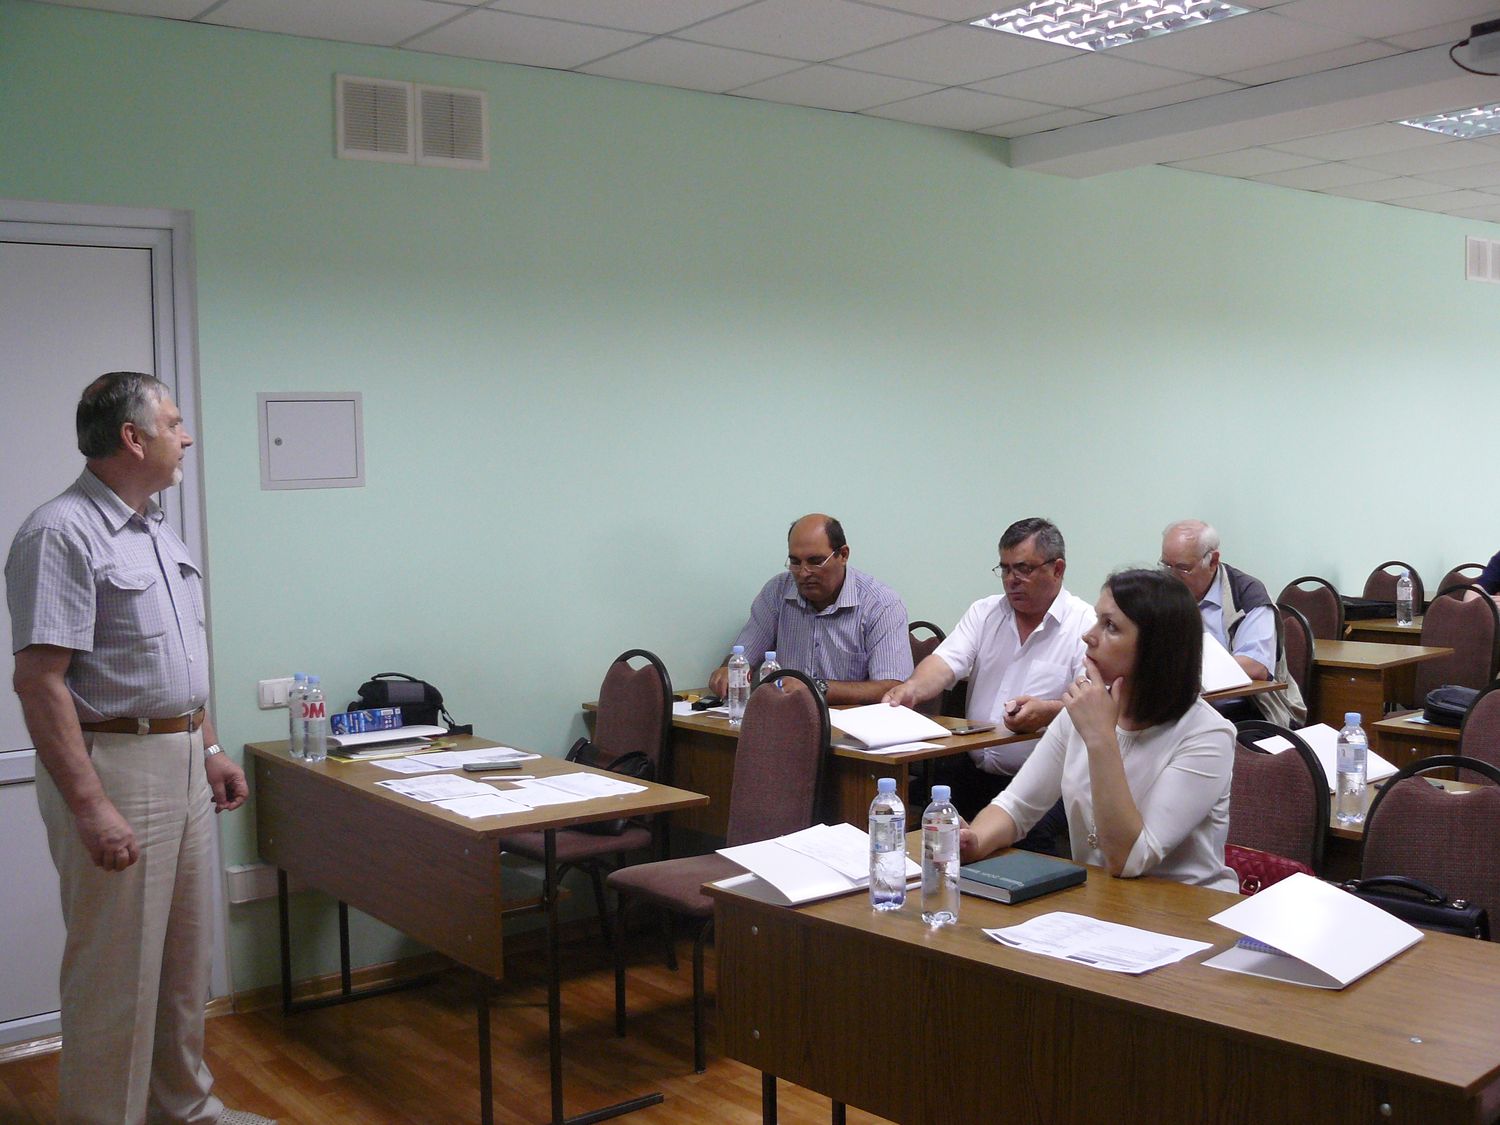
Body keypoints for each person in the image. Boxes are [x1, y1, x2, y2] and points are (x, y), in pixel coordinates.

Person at [5, 373, 272, 1125]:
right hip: (114, 767)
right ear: (132, 437)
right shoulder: (60, 533)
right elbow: (40, 681)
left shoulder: (156, 529)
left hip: (182, 759)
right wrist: (90, 804)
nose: (186, 437)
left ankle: (184, 1109)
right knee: (115, 972)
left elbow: (174, 662)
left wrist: (211, 747)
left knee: (185, 961)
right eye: (174, 422)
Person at [959, 568, 1238, 891]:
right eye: (1096, 620)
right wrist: (975, 841)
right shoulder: (1083, 710)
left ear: (1156, 648)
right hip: (1101, 899)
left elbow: (1130, 859)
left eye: (1111, 626)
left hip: (1186, 907)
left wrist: (1100, 736)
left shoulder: (1207, 734)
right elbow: (1017, 806)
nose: (1089, 636)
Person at [882, 518, 1093, 823]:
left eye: (1023, 569)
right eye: (1005, 569)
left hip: (1045, 786)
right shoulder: (985, 612)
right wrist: (912, 688)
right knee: (923, 820)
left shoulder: (1084, 624)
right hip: (974, 772)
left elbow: (1092, 705)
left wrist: (1048, 712)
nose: (1011, 580)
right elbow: (945, 663)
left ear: (1057, 569)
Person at [707, 513, 912, 705]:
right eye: (795, 562)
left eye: (815, 562)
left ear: (843, 555)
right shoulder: (777, 592)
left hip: (851, 723)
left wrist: (815, 687)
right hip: (785, 717)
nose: (803, 573)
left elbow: (893, 688)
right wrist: (727, 669)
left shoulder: (881, 605)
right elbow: (744, 656)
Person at [1159, 519, 1305, 727]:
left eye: (1183, 568)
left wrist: (1182, 671)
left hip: (1248, 710)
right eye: (1166, 565)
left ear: (1213, 561)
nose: (1172, 576)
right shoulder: (1162, 591)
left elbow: (1255, 666)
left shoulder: (1248, 594)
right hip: (1180, 708)